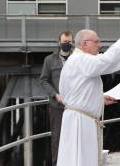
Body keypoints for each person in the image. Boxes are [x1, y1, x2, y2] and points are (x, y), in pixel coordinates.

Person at [56, 20, 120, 166]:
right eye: (97, 41)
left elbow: (77, 91)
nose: (100, 45)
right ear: (85, 43)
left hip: (78, 118)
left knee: (78, 159)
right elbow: (105, 61)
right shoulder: (81, 59)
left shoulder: (78, 60)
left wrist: (99, 99)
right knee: (80, 160)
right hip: (79, 121)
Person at [40, 31, 73, 166]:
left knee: (73, 137)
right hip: (57, 106)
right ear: (59, 42)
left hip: (75, 106)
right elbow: (43, 80)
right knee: (57, 138)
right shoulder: (49, 60)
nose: (67, 44)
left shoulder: (77, 58)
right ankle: (57, 163)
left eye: (70, 42)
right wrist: (55, 94)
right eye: (65, 42)